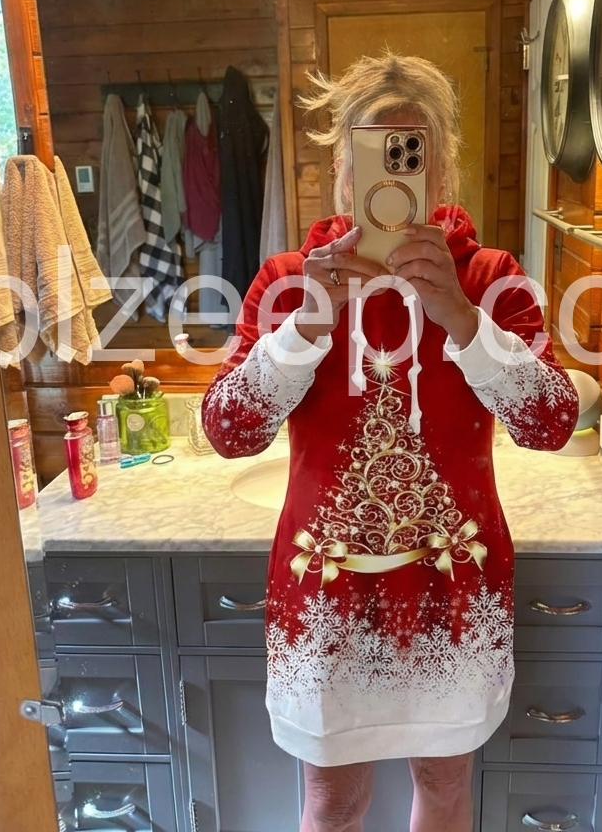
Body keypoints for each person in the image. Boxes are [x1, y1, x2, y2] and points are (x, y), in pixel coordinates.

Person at [202, 52, 579, 832]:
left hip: (452, 593)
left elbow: (549, 425)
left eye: (411, 154)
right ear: (341, 172)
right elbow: (229, 432)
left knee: (443, 784)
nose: (388, 176)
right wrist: (303, 329)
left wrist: (463, 320)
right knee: (331, 802)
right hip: (329, 596)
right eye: (371, 154)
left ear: (440, 175)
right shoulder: (288, 281)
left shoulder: (491, 278)